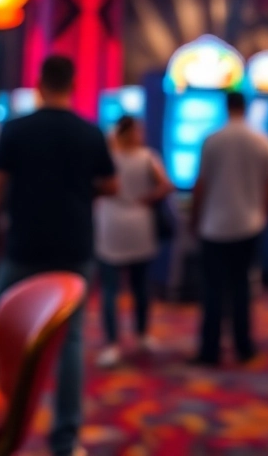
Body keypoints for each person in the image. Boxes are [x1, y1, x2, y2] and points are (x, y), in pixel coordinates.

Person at [0, 56, 116, 456]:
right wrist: (78, 193)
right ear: (72, 83)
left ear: (39, 83)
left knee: (2, 334)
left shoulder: (17, 129)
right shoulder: (90, 132)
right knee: (71, 340)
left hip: (23, 243)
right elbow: (110, 185)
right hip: (74, 246)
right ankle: (66, 440)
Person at [189, 90, 268, 365]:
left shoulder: (212, 139)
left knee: (213, 290)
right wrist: (263, 212)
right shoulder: (263, 140)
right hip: (249, 224)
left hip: (214, 226)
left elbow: (201, 184)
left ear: (226, 107)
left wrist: (195, 219)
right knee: (242, 287)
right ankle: (244, 347)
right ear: (246, 107)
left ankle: (210, 350)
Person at [95, 115, 173, 368]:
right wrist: (146, 199)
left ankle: (112, 343)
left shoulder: (109, 157)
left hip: (110, 222)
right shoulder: (148, 157)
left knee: (110, 289)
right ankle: (141, 335)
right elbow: (166, 185)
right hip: (139, 222)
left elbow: (96, 186)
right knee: (140, 286)